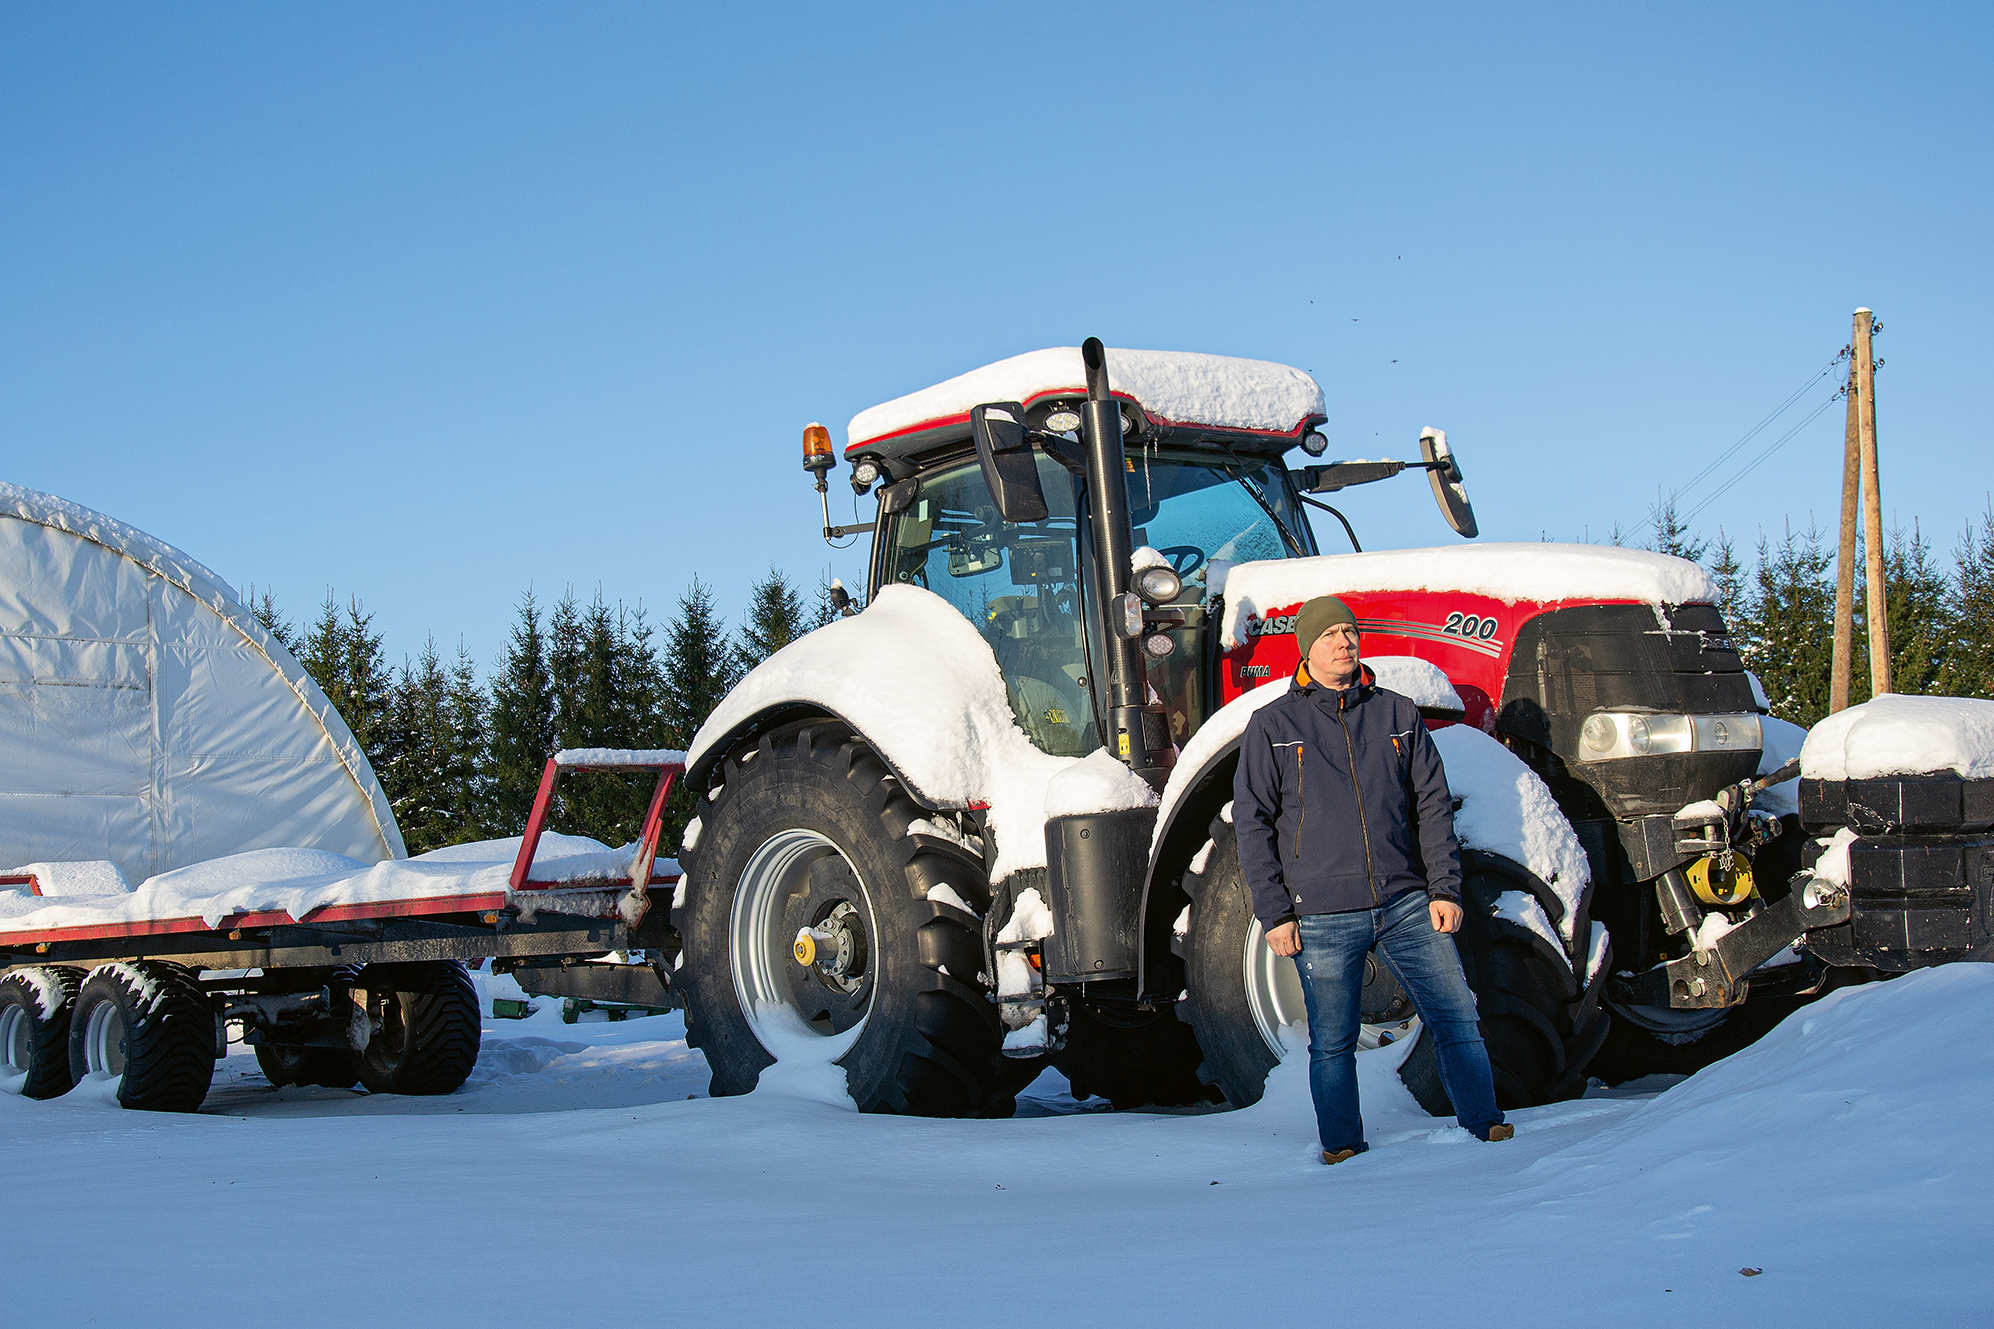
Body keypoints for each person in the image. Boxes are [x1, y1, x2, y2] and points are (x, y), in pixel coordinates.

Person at [1233, 595, 1512, 1164]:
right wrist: (1276, 913)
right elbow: (1252, 824)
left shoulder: (1395, 714)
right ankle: (1341, 1148)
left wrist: (1444, 888)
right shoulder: (1273, 725)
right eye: (1331, 633)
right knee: (1333, 1043)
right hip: (1323, 912)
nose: (1344, 640)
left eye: (1349, 630)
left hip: (1407, 901)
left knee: (1455, 1014)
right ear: (1306, 646)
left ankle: (1486, 1129)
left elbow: (1432, 804)